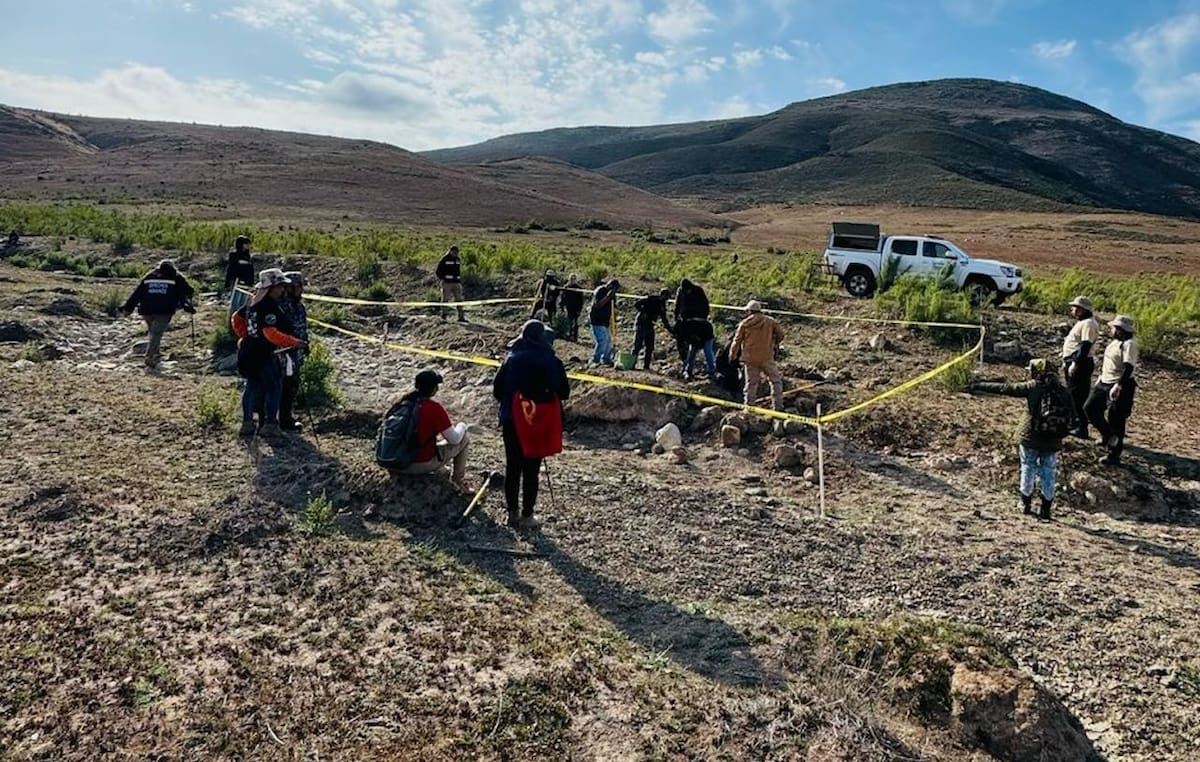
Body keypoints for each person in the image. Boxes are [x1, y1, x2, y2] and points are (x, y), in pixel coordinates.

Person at [968, 359, 1071, 520]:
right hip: (1053, 440)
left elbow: (1006, 388)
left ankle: (1025, 504)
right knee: (1048, 472)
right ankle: (1046, 509)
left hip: (1029, 436)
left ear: (1036, 372)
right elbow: (1074, 418)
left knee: (1028, 467)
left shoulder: (1033, 386)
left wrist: (979, 385)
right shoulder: (1064, 392)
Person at [492, 320, 570, 528]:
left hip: (512, 419)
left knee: (513, 466)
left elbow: (497, 391)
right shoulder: (552, 361)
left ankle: (512, 513)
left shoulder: (511, 359)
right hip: (539, 421)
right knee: (532, 468)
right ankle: (528, 516)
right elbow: (564, 392)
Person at [231, 269, 306, 438]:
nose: (282, 290)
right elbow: (270, 333)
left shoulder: (252, 302)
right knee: (274, 387)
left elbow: (236, 318)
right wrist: (295, 342)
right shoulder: (269, 306)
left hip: (249, 351)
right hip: (264, 353)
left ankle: (247, 423)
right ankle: (270, 425)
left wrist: (246, 335)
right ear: (271, 287)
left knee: (251, 387)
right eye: (279, 286)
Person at [397, 369, 471, 485]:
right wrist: (462, 426)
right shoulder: (434, 408)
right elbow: (454, 439)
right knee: (464, 438)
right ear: (434, 389)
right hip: (416, 464)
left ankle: (441, 469)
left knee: (432, 441)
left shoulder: (402, 404)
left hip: (396, 461)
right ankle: (458, 481)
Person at [121, 259, 195, 369]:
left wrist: (128, 308)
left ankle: (155, 355)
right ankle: (150, 357)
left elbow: (137, 293)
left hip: (147, 310)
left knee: (153, 333)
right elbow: (188, 291)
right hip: (164, 310)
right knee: (156, 333)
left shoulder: (149, 276)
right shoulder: (176, 276)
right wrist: (187, 305)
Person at [1085, 315, 1139, 466]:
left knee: (1116, 419)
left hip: (1120, 384)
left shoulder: (1129, 345)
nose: (1111, 329)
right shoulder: (1115, 343)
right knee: (1090, 408)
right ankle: (1107, 435)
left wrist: (1119, 385)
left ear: (1120, 330)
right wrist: (1101, 377)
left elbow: (1129, 367)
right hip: (1104, 381)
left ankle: (1113, 454)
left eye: (1114, 327)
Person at [730, 300, 785, 410]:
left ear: (749, 311)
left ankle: (749, 407)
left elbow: (737, 341)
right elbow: (781, 335)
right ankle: (778, 406)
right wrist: (774, 342)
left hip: (750, 358)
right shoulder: (770, 322)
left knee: (751, 384)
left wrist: (733, 355)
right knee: (775, 381)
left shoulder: (744, 324)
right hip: (767, 356)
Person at [1061, 296, 1101, 439]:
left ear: (1082, 309)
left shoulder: (1089, 324)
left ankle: (1081, 426)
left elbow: (1085, 346)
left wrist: (1075, 363)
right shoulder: (1084, 323)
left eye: (1075, 307)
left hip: (1080, 363)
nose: (1072, 309)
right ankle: (1074, 422)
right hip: (1074, 361)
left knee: (1078, 395)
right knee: (1073, 393)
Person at [277, 271, 310, 431]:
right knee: (283, 386)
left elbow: (302, 327)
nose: (301, 290)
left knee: (292, 386)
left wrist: (305, 343)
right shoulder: (281, 306)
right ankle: (281, 419)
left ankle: (285, 416)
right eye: (298, 287)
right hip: (284, 352)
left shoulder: (298, 306)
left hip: (297, 352)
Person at [631, 288, 673, 371]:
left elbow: (664, 318)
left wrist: (670, 330)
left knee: (650, 347)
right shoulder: (651, 299)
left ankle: (646, 366)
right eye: (666, 297)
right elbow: (637, 304)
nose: (667, 299)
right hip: (641, 324)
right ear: (663, 295)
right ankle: (632, 364)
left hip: (650, 325)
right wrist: (643, 312)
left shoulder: (662, 305)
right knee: (637, 345)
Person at [589, 278, 620, 366]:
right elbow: (598, 305)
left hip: (605, 321)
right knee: (602, 341)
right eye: (613, 288)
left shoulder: (612, 294)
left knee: (608, 341)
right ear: (609, 285)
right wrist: (608, 296)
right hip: (597, 320)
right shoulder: (600, 291)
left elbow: (614, 307)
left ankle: (606, 359)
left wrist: (614, 319)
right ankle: (595, 359)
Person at [223, 235, 255, 311]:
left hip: (247, 283)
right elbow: (231, 269)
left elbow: (251, 271)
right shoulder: (234, 255)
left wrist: (251, 282)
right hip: (237, 282)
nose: (248, 246)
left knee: (243, 303)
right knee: (235, 303)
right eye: (246, 244)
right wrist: (228, 282)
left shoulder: (248, 256)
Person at [436, 245, 466, 322]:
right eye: (454, 252)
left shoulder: (457, 259)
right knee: (445, 299)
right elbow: (438, 271)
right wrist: (443, 279)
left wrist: (459, 281)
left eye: (457, 252)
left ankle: (461, 317)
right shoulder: (445, 259)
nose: (456, 254)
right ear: (450, 251)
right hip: (447, 283)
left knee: (459, 299)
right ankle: (444, 316)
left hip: (457, 283)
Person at [559, 273, 584, 341]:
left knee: (575, 323)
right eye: (571, 278)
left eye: (574, 279)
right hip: (568, 307)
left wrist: (580, 309)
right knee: (569, 322)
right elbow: (562, 297)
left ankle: (575, 336)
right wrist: (562, 306)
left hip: (576, 308)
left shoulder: (579, 288)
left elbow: (581, 300)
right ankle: (569, 335)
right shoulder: (566, 287)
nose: (573, 280)